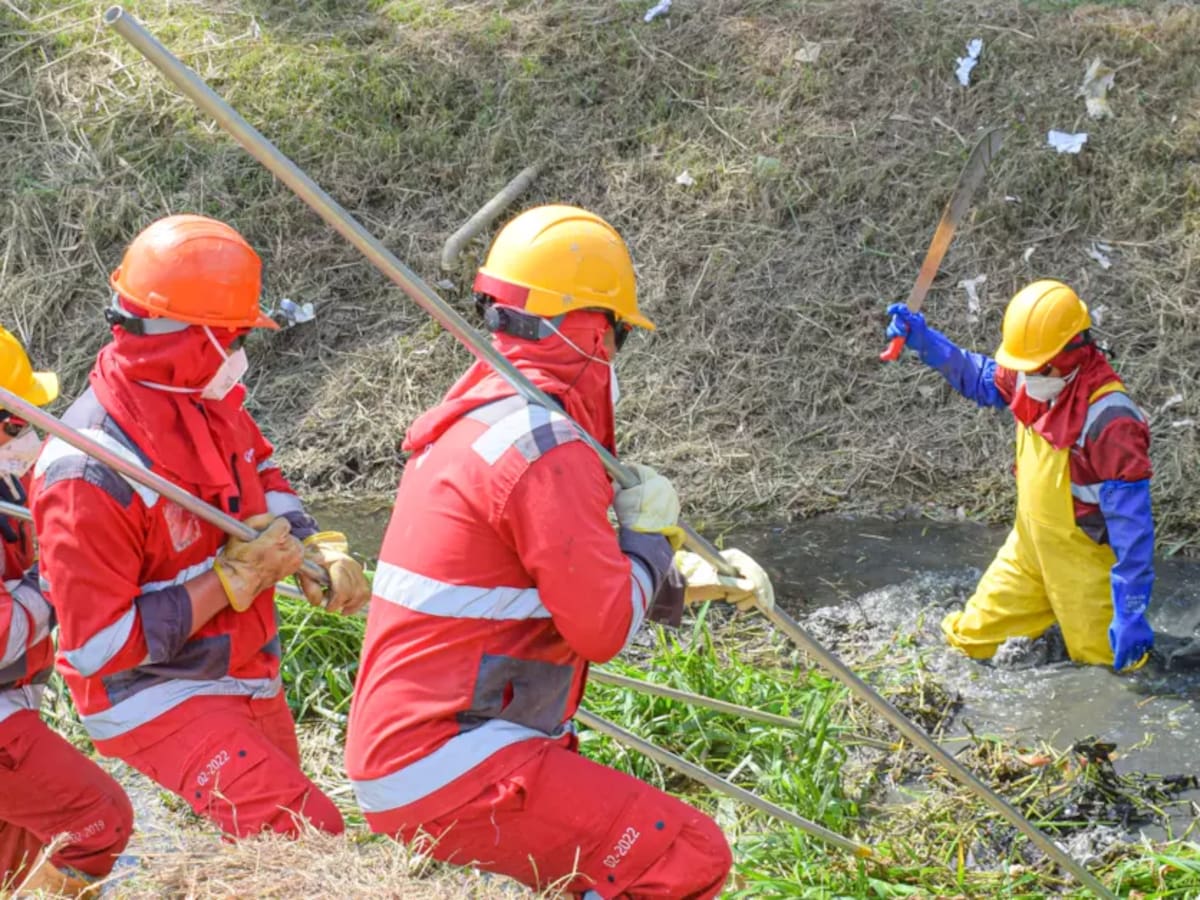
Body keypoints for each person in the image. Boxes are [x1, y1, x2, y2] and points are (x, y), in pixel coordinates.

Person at [345, 205, 767, 898]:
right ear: (594, 330)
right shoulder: (545, 448)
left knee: (602, 864)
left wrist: (691, 582)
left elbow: (544, 581)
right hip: (452, 757)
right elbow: (602, 629)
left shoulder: (475, 421)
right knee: (686, 854)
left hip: (416, 746)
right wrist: (649, 539)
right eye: (620, 335)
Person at [29, 215, 371, 842]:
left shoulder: (198, 396)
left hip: (242, 662)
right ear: (191, 336)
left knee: (270, 854)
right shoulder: (87, 473)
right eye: (233, 336)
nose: (239, 353)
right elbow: (96, 648)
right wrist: (232, 580)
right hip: (153, 694)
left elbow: (259, 468)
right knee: (306, 833)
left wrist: (311, 546)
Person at [886, 279, 1154, 671]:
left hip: (1082, 560)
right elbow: (981, 377)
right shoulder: (1035, 376)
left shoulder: (1111, 419)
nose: (1027, 376)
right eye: (1024, 366)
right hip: (1027, 547)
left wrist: (1130, 606)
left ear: (1073, 350)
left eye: (1037, 366)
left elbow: (1133, 524)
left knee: (1116, 669)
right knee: (970, 643)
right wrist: (927, 343)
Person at [0, 327, 133, 895]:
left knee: (17, 859)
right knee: (96, 821)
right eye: (14, 424)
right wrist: (58, 581)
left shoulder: (9, 478)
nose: (27, 435)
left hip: (15, 697)